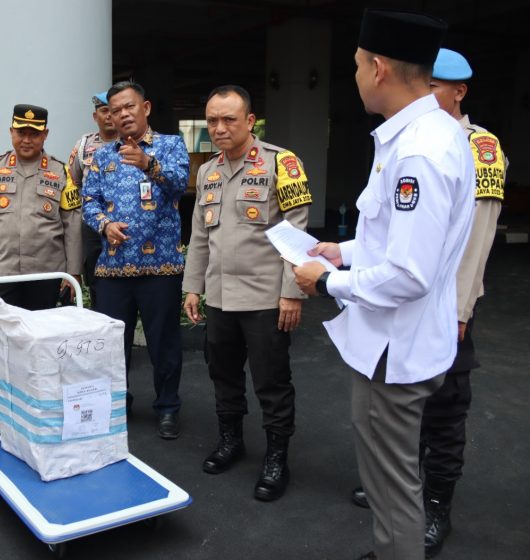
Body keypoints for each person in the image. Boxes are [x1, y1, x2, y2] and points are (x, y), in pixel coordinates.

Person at [293, 10, 475, 560]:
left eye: (354, 66)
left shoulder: (418, 150)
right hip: (402, 340)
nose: (353, 76)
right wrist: (341, 251)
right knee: (390, 480)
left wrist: (327, 282)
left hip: (396, 352)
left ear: (377, 68)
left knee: (392, 490)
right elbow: (399, 240)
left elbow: (408, 274)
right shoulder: (426, 133)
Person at [349, 47, 508, 559]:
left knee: (441, 416)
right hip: (410, 313)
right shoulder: (413, 139)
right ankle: (401, 518)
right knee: (397, 445)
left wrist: (459, 310)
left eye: (437, 87)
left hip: (428, 313)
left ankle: (427, 510)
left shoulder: (452, 147)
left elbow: (469, 242)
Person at [183, 85, 311, 501]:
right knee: (223, 375)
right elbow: (200, 235)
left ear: (249, 121)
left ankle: (277, 458)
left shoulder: (282, 164)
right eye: (212, 121)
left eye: (228, 120)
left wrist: (292, 292)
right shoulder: (207, 171)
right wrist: (192, 287)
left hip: (264, 299)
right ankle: (231, 440)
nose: (219, 128)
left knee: (272, 382)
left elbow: (298, 235)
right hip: (220, 298)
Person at [0, 103, 83, 433]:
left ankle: (38, 400)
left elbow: (72, 225)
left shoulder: (61, 173)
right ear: (12, 132)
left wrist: (73, 273)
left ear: (45, 135)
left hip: (46, 274)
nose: (27, 138)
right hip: (2, 272)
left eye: (34, 133)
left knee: (43, 340)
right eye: (21, 132)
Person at [82, 81, 189, 440]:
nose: (123, 114)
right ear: (108, 116)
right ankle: (116, 403)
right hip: (113, 266)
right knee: (112, 345)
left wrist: (149, 164)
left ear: (146, 108)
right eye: (116, 110)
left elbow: (179, 184)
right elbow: (88, 202)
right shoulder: (101, 156)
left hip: (161, 266)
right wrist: (105, 224)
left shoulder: (171, 145)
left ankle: (168, 407)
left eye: (129, 107)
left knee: (164, 343)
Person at [68, 91, 118, 307]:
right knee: (96, 278)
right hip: (93, 225)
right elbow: (74, 181)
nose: (109, 116)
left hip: (122, 220)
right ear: (95, 116)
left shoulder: (132, 143)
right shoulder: (83, 145)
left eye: (113, 111)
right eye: (103, 111)